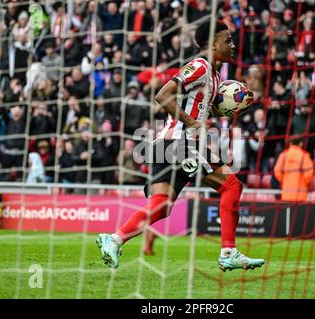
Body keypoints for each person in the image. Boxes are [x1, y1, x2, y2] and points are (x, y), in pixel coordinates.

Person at [96, 21, 265, 271]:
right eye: (227, 40)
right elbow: (162, 95)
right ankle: (228, 251)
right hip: (181, 142)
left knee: (162, 206)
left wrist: (222, 109)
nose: (232, 45)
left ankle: (114, 239)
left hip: (165, 144)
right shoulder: (200, 66)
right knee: (231, 186)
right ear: (213, 44)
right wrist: (193, 123)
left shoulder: (216, 77)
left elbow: (196, 106)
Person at [274, 136, 314, 202]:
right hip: (300, 194)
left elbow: (277, 171)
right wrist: (303, 183)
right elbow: (309, 174)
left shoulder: (283, 155)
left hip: (286, 193)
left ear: (290, 143)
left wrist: (284, 181)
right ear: (301, 144)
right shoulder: (304, 156)